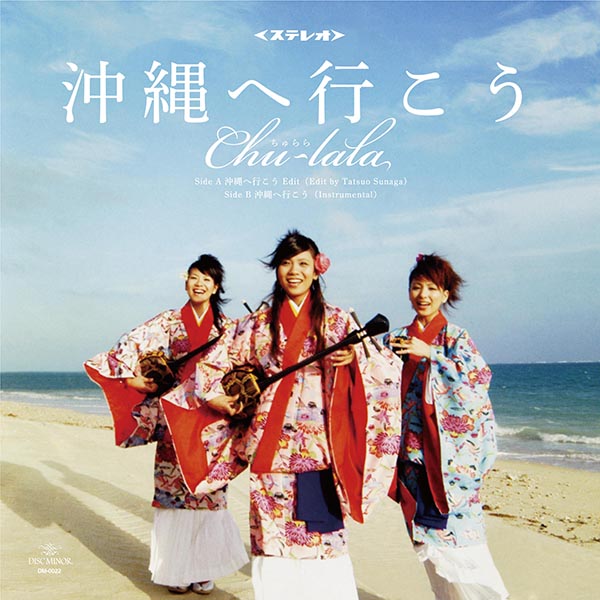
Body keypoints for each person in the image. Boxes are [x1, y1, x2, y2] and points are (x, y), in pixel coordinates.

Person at [198, 230, 402, 600]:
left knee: (323, 539)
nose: (295, 271)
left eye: (303, 263)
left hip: (318, 450)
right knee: (272, 542)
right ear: (276, 269)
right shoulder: (256, 324)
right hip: (269, 447)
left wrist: (354, 359)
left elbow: (384, 368)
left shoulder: (338, 321)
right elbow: (214, 363)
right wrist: (220, 399)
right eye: (286, 263)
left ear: (317, 269)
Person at [84, 254, 248, 595]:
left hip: (212, 421)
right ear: (186, 281)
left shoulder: (229, 328)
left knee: (208, 494)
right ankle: (176, 570)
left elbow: (249, 362)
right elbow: (131, 343)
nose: (199, 284)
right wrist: (131, 379)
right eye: (194, 277)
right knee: (174, 494)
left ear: (216, 287)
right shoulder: (168, 322)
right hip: (174, 415)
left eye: (207, 279)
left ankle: (204, 570)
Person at [385, 253, 508, 600]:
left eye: (431, 288)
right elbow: (372, 382)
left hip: (449, 467)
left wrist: (432, 355)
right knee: (428, 549)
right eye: (416, 287)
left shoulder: (456, 337)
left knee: (464, 548)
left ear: (445, 294)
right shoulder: (396, 338)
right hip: (410, 462)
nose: (422, 295)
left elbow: (478, 382)